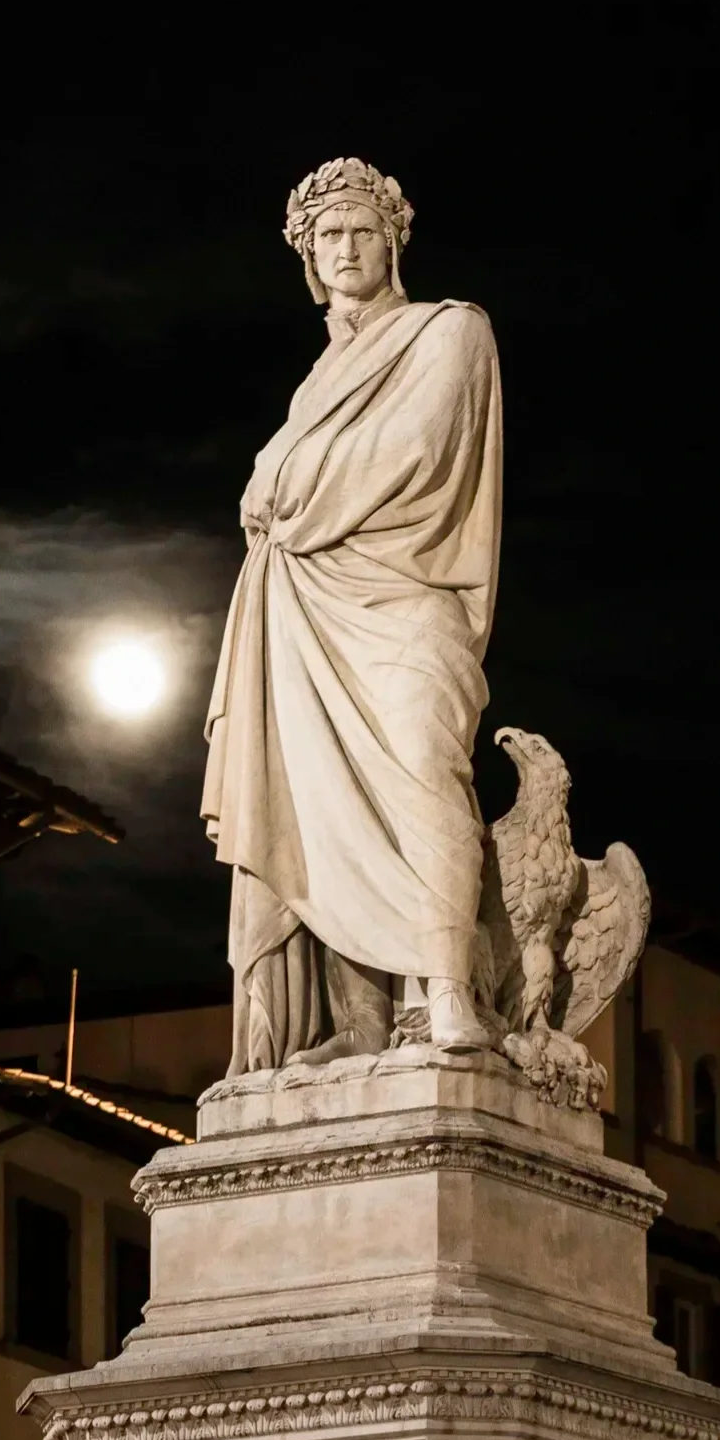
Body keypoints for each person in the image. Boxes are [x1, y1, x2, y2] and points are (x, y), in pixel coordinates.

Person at [202, 157, 503, 1072]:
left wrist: (283, 490)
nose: (344, 247)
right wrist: (278, 487)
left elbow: (411, 450)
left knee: (422, 769)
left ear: (391, 242)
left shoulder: (448, 332)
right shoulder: (315, 383)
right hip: (307, 605)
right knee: (313, 802)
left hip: (406, 594)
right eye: (326, 235)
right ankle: (364, 1021)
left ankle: (447, 988)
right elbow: (278, 476)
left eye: (360, 231)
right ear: (307, 257)